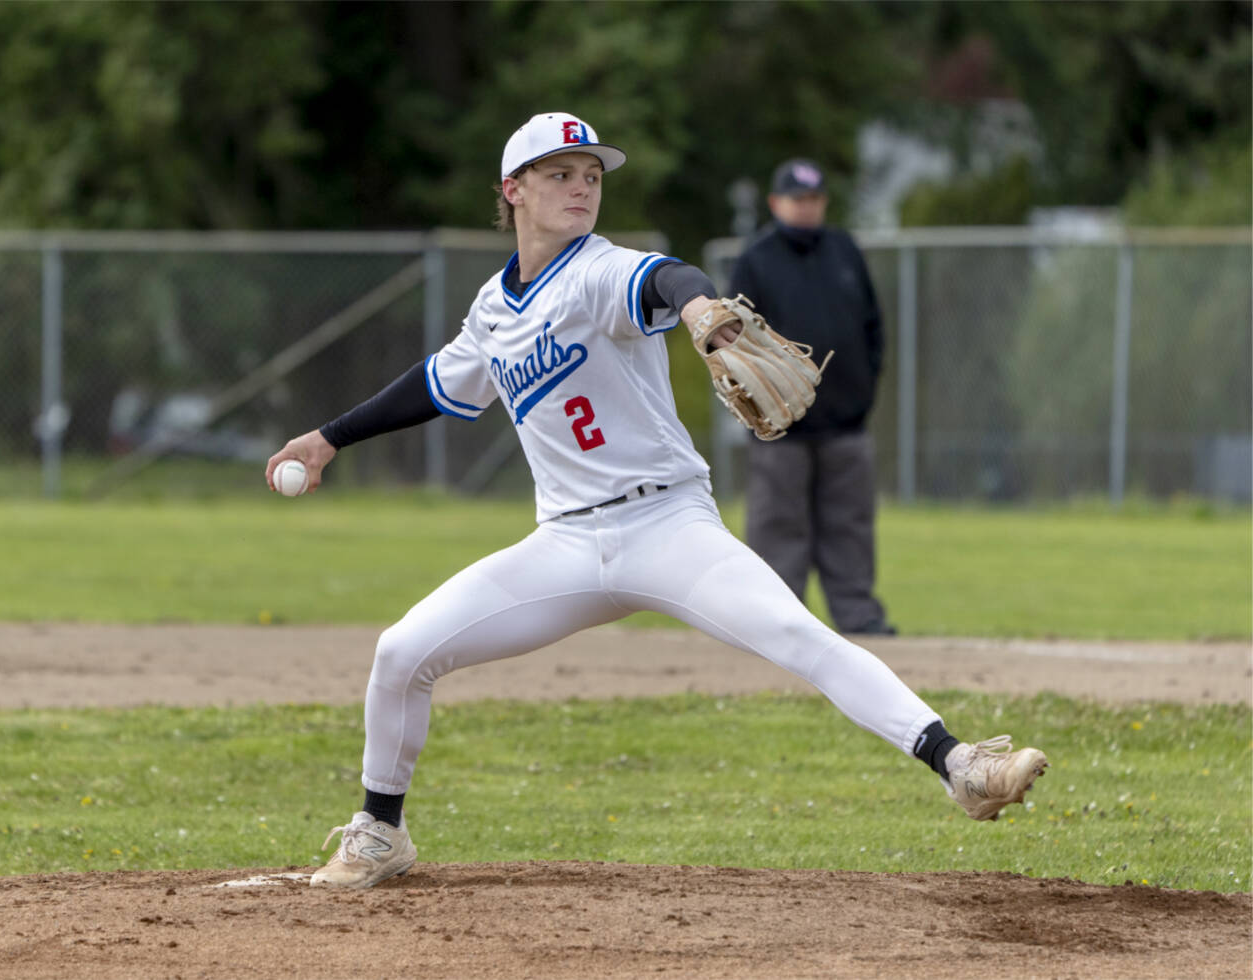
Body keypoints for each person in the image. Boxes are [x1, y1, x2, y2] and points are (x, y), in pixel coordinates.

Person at [265, 113, 1047, 890]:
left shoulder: (598, 271)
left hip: (666, 524)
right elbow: (439, 382)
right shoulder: (493, 311)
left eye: (593, 176)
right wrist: (329, 438)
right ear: (514, 190)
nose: (581, 188)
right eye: (560, 174)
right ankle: (380, 833)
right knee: (402, 652)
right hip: (565, 546)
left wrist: (703, 311)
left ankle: (958, 764)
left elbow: (665, 278)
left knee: (792, 631)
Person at [729, 158, 896, 635]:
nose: (808, 208)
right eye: (798, 199)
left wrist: (864, 390)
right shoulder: (755, 259)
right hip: (781, 430)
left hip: (846, 423)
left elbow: (872, 327)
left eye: (815, 199)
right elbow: (733, 342)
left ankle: (858, 615)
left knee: (851, 527)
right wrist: (760, 404)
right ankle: (779, 623)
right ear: (775, 203)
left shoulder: (844, 250)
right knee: (779, 528)